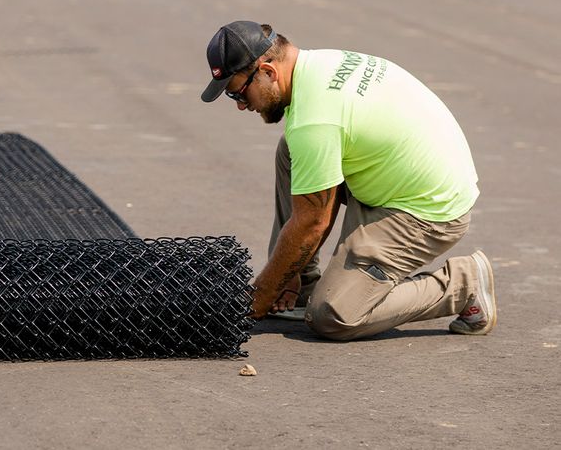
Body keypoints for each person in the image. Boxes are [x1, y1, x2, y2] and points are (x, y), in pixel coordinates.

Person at [201, 20, 496, 340]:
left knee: (334, 315)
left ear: (269, 72)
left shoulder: (314, 121)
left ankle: (463, 284)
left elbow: (312, 223)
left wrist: (256, 301)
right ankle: (298, 285)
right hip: (408, 176)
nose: (242, 105)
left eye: (238, 93)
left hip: (428, 212)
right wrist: (285, 273)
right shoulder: (320, 63)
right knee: (293, 152)